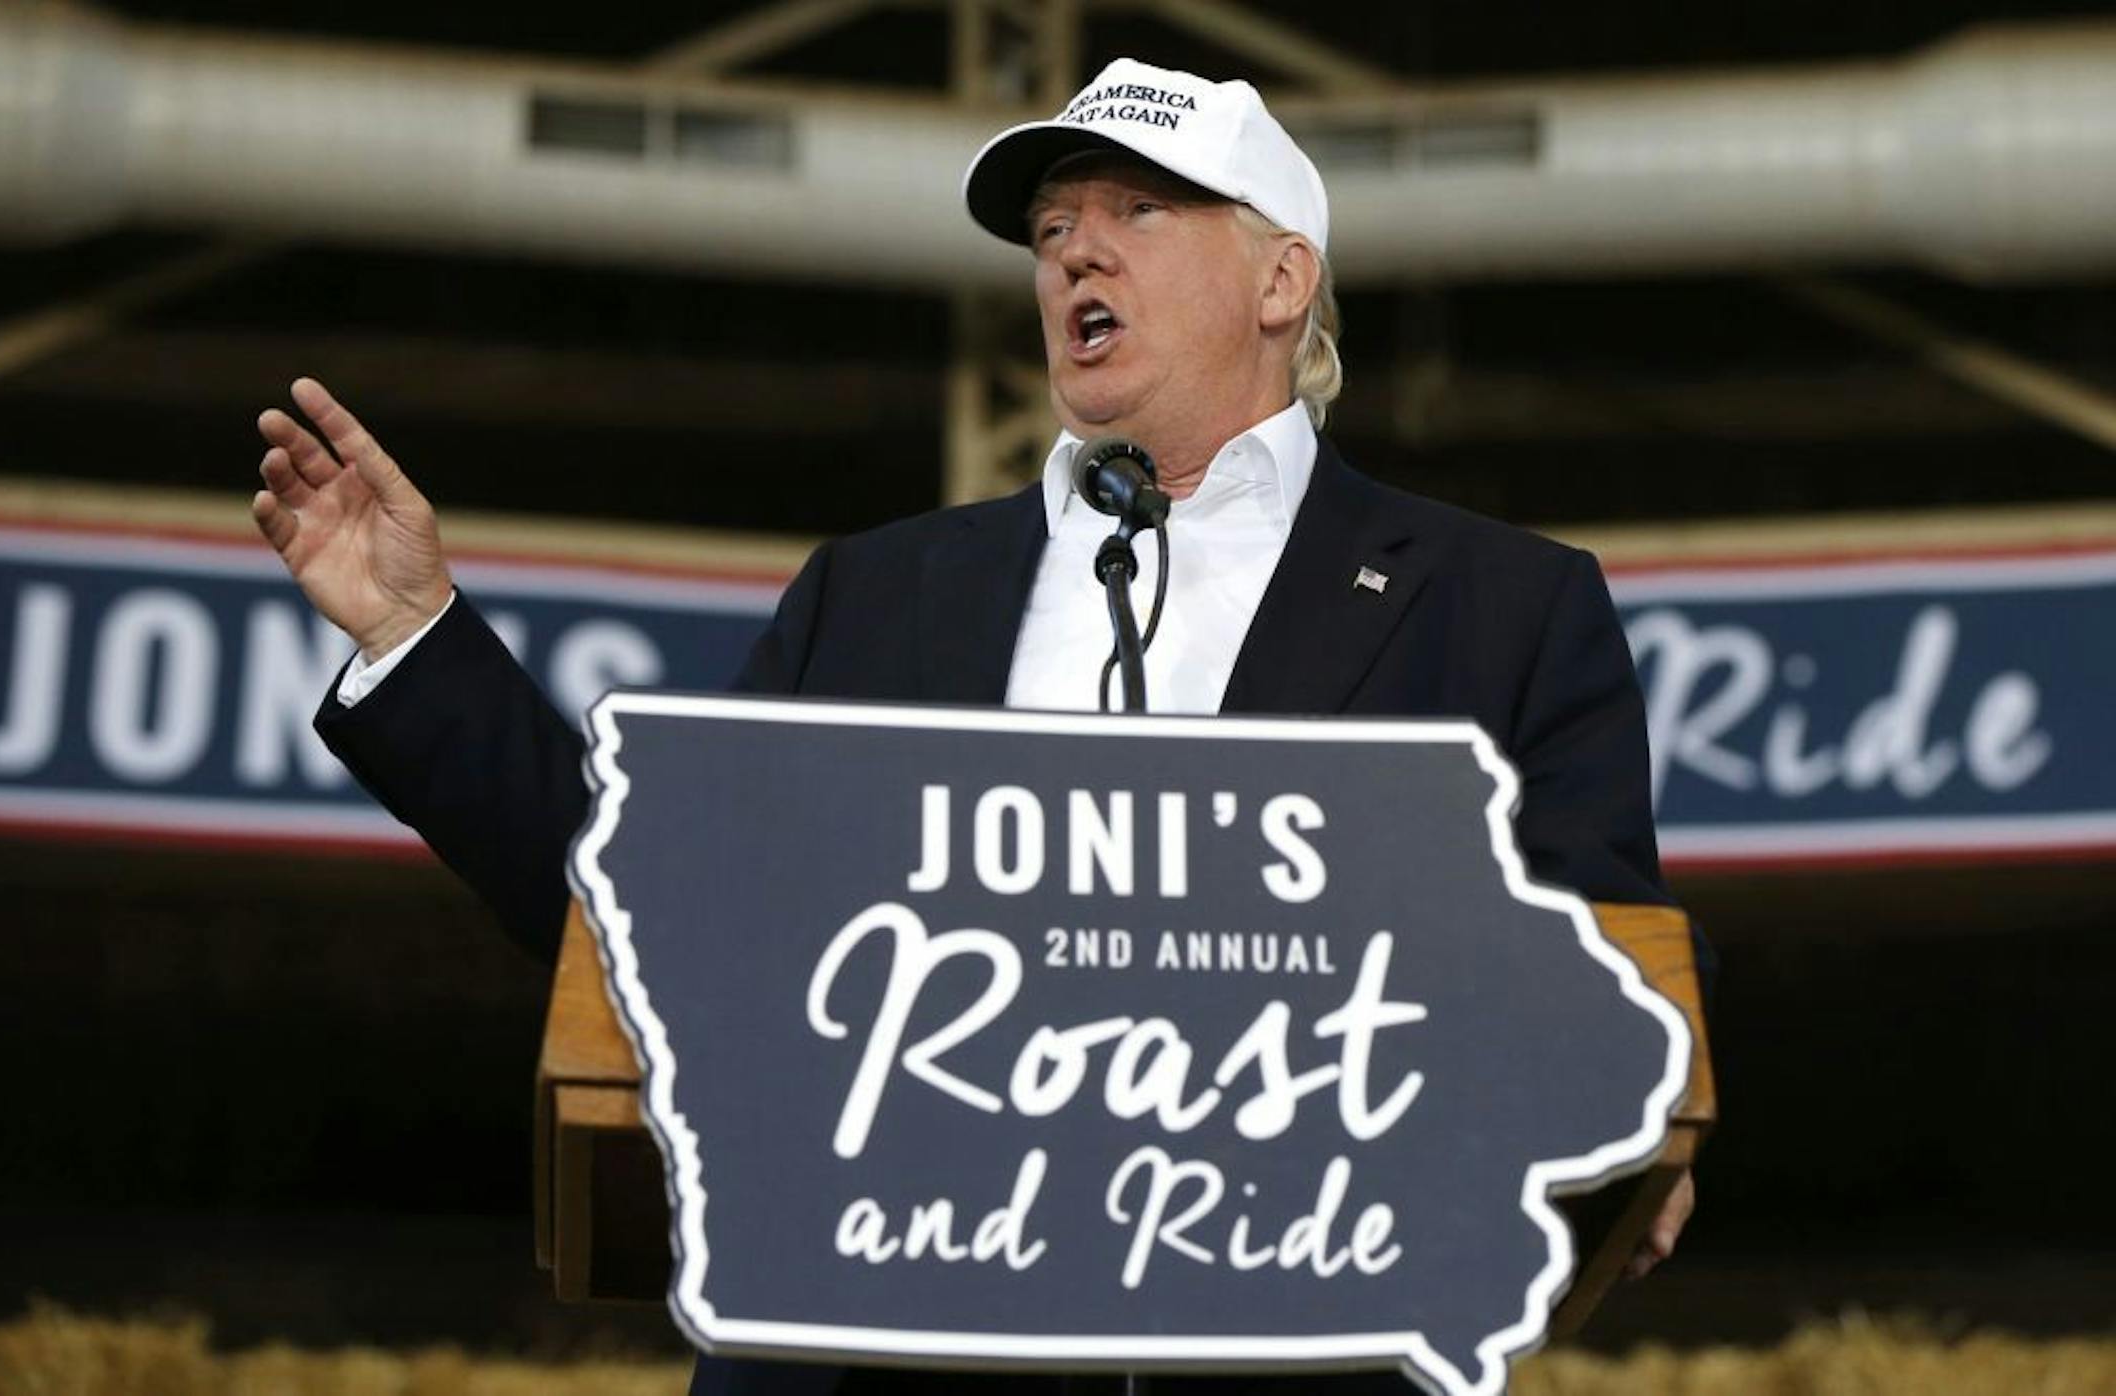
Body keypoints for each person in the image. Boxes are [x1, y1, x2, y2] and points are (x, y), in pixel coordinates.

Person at [252, 57, 1694, 1395]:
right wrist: (414, 635)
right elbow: (650, 922)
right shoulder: (877, 595)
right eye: (1054, 227)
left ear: (1281, 279)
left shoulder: (1503, 608)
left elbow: (1602, 975)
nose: (1075, 252)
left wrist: (1642, 1121)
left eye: (1138, 210)